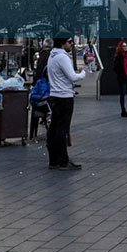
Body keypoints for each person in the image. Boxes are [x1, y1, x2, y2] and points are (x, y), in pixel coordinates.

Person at [46, 29, 85, 170]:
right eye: (69, 41)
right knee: (62, 129)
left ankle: (53, 160)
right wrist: (83, 73)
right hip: (64, 96)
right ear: (63, 42)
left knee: (54, 128)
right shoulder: (62, 57)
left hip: (54, 95)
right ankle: (63, 160)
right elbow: (73, 77)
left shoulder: (52, 56)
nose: (71, 44)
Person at [113, 39, 127, 117]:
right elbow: (115, 68)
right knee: (122, 94)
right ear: (120, 47)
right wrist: (121, 74)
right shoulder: (118, 57)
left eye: (126, 46)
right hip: (122, 78)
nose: (125, 47)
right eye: (123, 46)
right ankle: (123, 111)